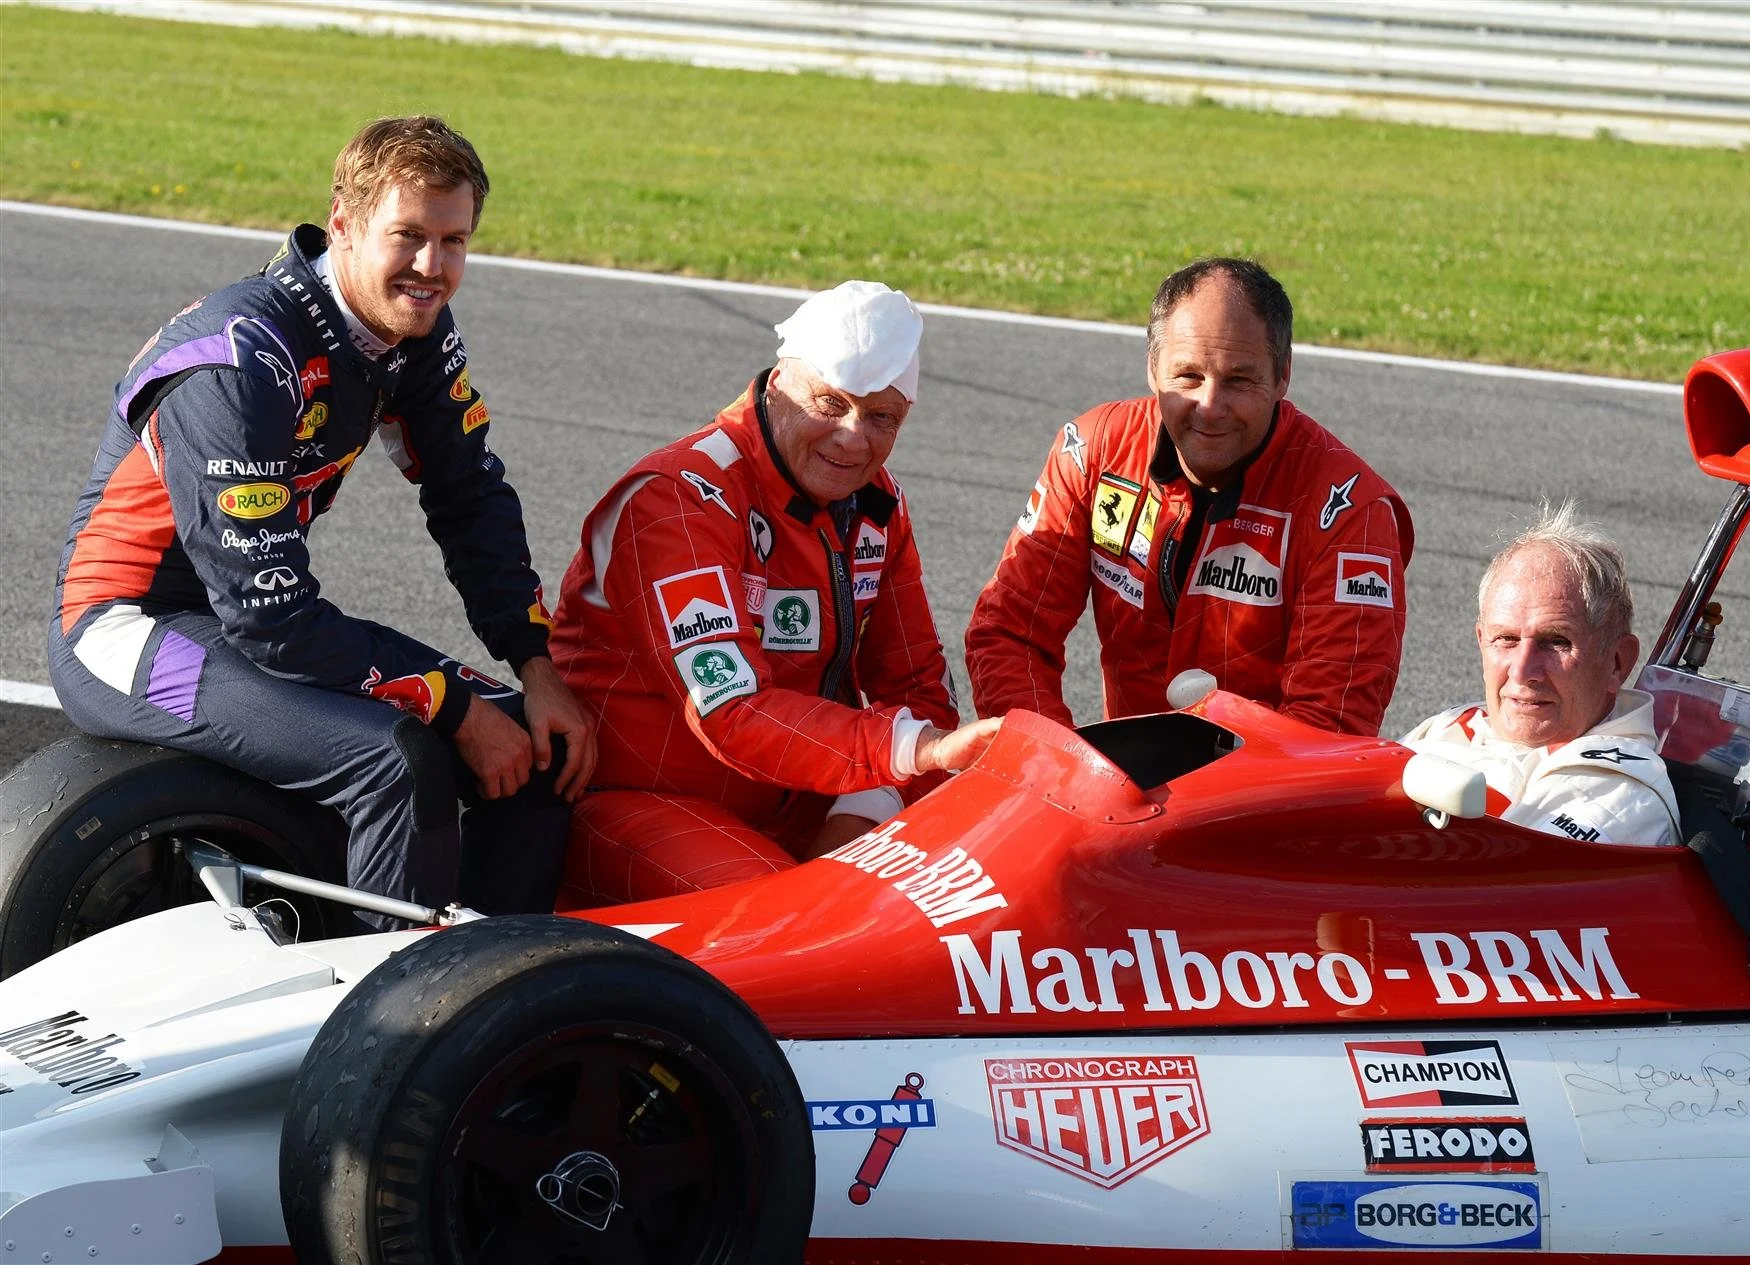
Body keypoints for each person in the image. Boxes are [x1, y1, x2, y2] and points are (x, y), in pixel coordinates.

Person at [49, 116, 595, 929]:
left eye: (455, 241)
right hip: (127, 633)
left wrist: (536, 662)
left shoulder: (407, 331)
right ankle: (379, 1025)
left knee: (538, 748)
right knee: (396, 759)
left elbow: (469, 493)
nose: (432, 268)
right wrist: (449, 705)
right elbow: (271, 618)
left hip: (248, 622)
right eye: (408, 236)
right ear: (342, 225)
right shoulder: (240, 354)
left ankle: (482, 998)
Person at [551, 280, 1000, 902]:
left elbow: (918, 685)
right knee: (802, 928)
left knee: (986, 898)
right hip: (640, 799)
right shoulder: (677, 498)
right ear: (778, 383)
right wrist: (915, 750)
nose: (852, 437)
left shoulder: (878, 506)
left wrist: (858, 818)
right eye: (829, 403)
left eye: (881, 418)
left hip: (803, 804)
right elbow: (728, 710)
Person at [965, 257, 1414, 735]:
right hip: (1117, 787)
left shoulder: (1349, 511)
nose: (1211, 407)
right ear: (1153, 369)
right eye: (1188, 376)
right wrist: (1056, 765)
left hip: (1266, 792)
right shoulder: (1093, 451)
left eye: (1240, 379)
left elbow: (1329, 725)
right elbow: (1010, 634)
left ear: (1282, 375)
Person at [1403, 502, 1680, 845]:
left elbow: (1498, 890)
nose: (1522, 671)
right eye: (1505, 639)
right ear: (1481, 641)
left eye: (1555, 642)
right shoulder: (1453, 725)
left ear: (1616, 662)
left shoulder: (1617, 792)